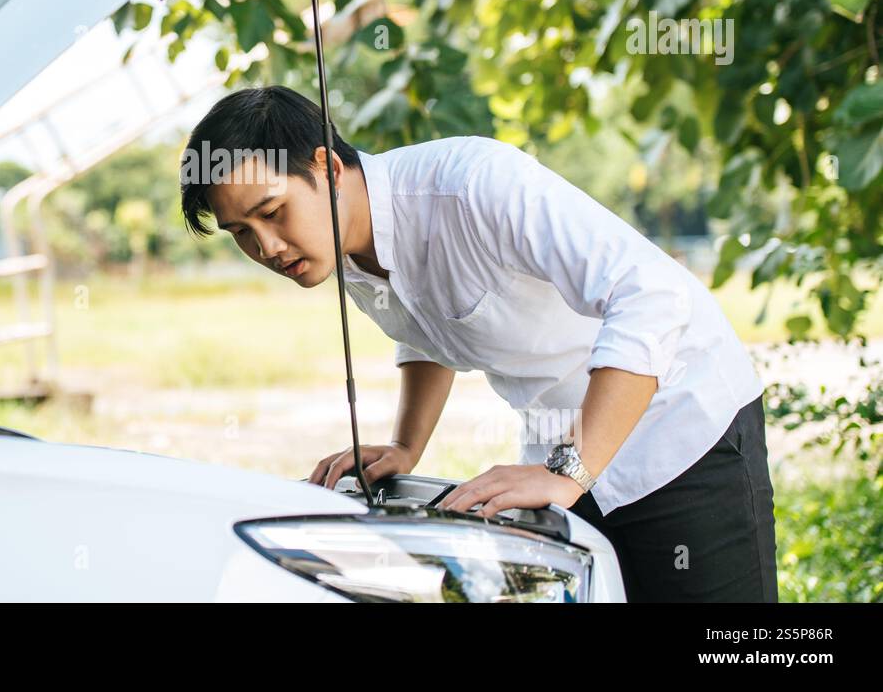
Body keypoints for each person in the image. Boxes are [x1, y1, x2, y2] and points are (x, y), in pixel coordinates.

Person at [178, 84, 778, 603]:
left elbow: (653, 293)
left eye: (273, 212)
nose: (268, 249)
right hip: (561, 454)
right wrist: (405, 446)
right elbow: (429, 330)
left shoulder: (473, 186)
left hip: (679, 432)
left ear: (328, 168)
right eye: (241, 233)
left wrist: (571, 469)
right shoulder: (348, 252)